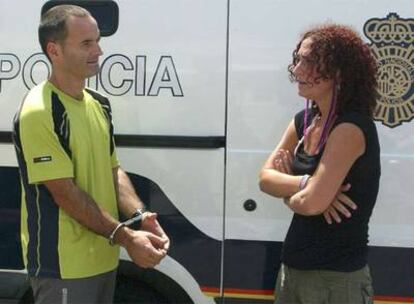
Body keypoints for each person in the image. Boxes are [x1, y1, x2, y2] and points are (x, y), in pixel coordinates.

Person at [12, 5, 170, 304]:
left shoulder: (98, 103)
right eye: (86, 43)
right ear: (54, 51)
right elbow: (65, 193)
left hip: (103, 259)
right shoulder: (39, 111)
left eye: (98, 41)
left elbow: (114, 171)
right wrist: (126, 237)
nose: (98, 50)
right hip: (62, 266)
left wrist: (140, 217)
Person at [259, 23, 380, 303]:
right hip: (292, 271)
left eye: (309, 61)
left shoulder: (351, 127)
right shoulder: (303, 121)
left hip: (335, 280)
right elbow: (264, 178)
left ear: (338, 73)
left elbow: (311, 204)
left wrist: (294, 192)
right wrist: (307, 184)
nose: (297, 69)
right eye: (298, 59)